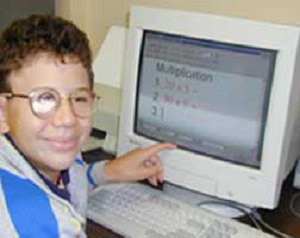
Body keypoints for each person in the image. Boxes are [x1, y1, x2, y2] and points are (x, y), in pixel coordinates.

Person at [0, 15, 176, 237]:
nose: (67, 119)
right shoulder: (30, 224)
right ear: (3, 113)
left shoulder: (44, 154)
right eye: (44, 99)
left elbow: (72, 174)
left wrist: (109, 171)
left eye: (79, 98)